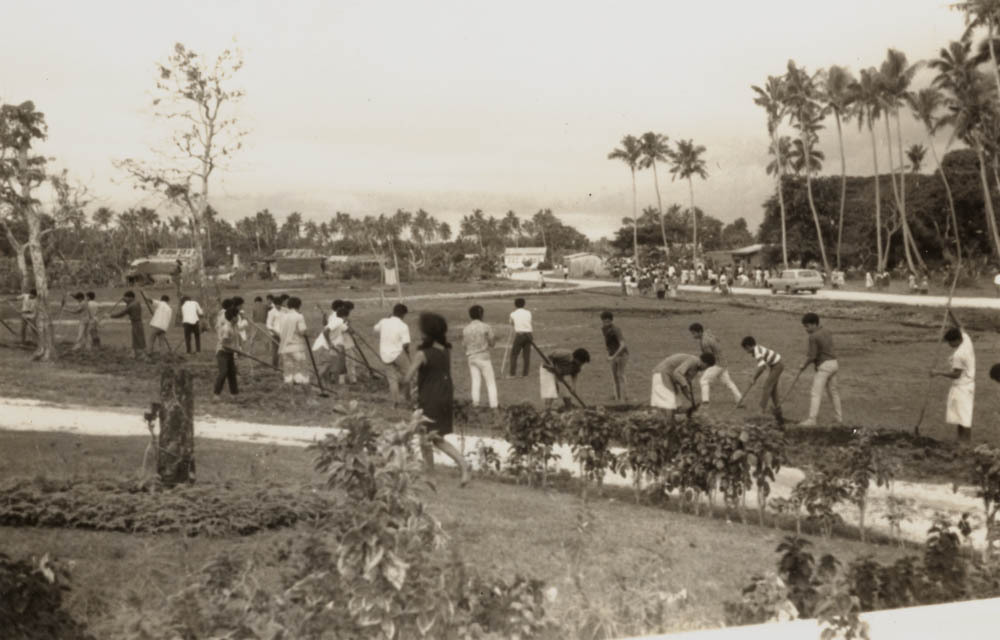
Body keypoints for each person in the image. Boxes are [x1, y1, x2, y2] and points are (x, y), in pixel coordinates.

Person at [403, 312, 470, 486]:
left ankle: (430, 475)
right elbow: (437, 374)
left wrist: (407, 394)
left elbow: (407, 377)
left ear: (426, 332)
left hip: (430, 398)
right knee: (436, 438)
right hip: (445, 395)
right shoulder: (446, 350)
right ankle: (463, 466)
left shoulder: (422, 354)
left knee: (425, 437)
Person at [797, 313, 842, 427]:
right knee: (834, 392)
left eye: (807, 326)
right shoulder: (826, 331)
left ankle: (812, 420)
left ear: (814, 324)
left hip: (824, 366)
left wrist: (803, 365)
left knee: (815, 393)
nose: (806, 329)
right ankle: (838, 418)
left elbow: (812, 356)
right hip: (834, 363)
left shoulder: (813, 337)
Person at [932, 327, 975, 442]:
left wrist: (938, 373)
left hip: (962, 387)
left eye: (950, 342)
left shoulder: (959, 355)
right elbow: (960, 326)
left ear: (956, 340)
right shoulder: (967, 341)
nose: (949, 345)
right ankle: (960, 440)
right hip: (968, 385)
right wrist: (950, 311)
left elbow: (956, 374)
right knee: (961, 416)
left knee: (964, 416)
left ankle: (966, 443)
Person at [689, 323, 741, 405]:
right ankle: (739, 399)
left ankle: (705, 401)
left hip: (716, 364)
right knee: (728, 382)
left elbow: (709, 358)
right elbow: (717, 339)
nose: (693, 336)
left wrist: (703, 368)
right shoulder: (708, 334)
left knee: (704, 380)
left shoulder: (704, 342)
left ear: (699, 332)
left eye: (694, 333)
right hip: (723, 362)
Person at [650, 353, 715, 420]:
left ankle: (678, 422)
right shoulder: (693, 361)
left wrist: (691, 400)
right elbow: (677, 373)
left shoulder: (696, 369)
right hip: (662, 374)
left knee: (677, 405)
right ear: (703, 362)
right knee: (669, 403)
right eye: (707, 366)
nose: (705, 369)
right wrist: (685, 386)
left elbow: (684, 385)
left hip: (670, 379)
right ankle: (666, 425)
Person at [739, 336, 785, 424]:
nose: (746, 352)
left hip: (777, 366)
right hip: (775, 365)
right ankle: (778, 410)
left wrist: (754, 378)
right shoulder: (757, 349)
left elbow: (762, 367)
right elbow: (763, 366)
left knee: (767, 386)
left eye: (746, 349)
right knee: (772, 389)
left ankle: (761, 410)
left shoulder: (757, 351)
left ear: (748, 346)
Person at [374, 303, 412, 406]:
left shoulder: (383, 321)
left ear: (393, 312)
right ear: (403, 314)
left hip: (384, 354)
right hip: (398, 353)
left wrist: (387, 318)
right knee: (408, 374)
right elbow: (406, 343)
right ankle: (407, 397)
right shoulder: (403, 325)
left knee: (392, 379)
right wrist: (407, 353)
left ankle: (395, 402)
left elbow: (375, 329)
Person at [461, 304, 498, 409]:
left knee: (475, 381)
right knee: (490, 382)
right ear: (481, 314)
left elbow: (464, 344)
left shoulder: (466, 329)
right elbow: (492, 343)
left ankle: (475, 403)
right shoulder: (486, 327)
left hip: (471, 357)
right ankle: (494, 405)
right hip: (483, 357)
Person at [313, 300, 349, 384]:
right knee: (326, 364)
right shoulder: (338, 321)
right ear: (345, 316)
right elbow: (326, 331)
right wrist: (330, 343)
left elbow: (346, 329)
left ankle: (325, 384)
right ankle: (316, 383)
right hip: (323, 345)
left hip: (324, 345)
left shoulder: (339, 322)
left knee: (329, 364)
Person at [277, 296, 310, 385]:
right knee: (303, 374)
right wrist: (307, 333)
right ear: (299, 306)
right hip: (297, 348)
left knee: (288, 375)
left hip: (284, 348)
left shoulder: (282, 317)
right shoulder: (299, 316)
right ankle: (309, 398)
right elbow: (302, 332)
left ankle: (292, 399)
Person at [600, 310, 628, 402]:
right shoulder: (604, 329)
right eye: (604, 321)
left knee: (620, 375)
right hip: (612, 355)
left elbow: (622, 344)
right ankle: (617, 397)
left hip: (621, 355)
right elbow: (608, 343)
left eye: (608, 321)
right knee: (614, 377)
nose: (606, 323)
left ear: (612, 321)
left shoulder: (616, 329)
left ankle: (624, 398)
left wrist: (614, 356)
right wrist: (608, 354)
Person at [110, 291, 146, 359]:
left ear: (130, 297)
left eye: (126, 298)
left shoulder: (132, 305)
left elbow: (122, 313)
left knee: (138, 338)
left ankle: (142, 355)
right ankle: (135, 354)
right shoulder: (136, 302)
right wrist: (125, 301)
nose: (125, 299)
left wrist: (110, 316)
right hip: (137, 323)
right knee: (136, 338)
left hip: (136, 323)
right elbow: (128, 306)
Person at [214, 307, 240, 398]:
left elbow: (235, 341)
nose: (238, 318)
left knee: (232, 373)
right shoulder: (227, 328)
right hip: (222, 352)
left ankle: (234, 394)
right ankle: (216, 394)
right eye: (237, 316)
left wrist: (237, 351)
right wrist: (235, 350)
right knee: (223, 372)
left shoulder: (235, 326)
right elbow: (224, 344)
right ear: (233, 317)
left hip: (230, 352)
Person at [508, 298, 533, 378]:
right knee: (526, 355)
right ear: (524, 304)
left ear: (515, 305)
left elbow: (511, 323)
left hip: (520, 334)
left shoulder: (513, 314)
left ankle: (512, 374)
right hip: (529, 334)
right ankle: (525, 374)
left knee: (514, 354)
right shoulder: (528, 312)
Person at [266, 294, 286, 367]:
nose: (279, 306)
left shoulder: (285, 310)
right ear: (274, 304)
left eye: (280, 305)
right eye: (277, 305)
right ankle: (275, 366)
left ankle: (284, 365)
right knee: (275, 351)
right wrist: (276, 333)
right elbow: (268, 325)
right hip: (275, 335)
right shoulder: (271, 312)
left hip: (284, 334)